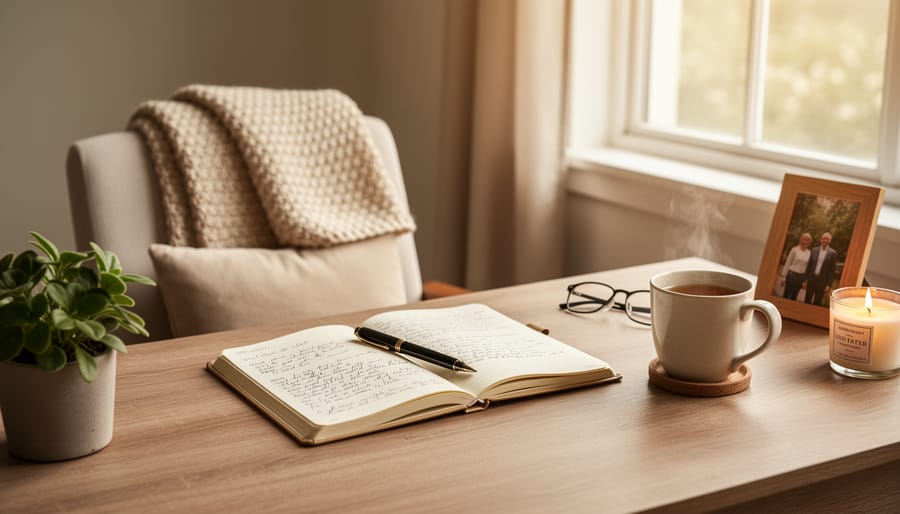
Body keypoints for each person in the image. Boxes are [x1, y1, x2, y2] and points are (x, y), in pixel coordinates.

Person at [804, 232, 838, 306]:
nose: (825, 240)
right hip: (811, 279)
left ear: (830, 241)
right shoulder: (814, 250)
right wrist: (805, 280)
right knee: (807, 299)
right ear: (821, 240)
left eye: (827, 239)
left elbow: (832, 271)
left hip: (822, 282)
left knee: (817, 301)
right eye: (823, 239)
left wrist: (828, 285)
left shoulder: (833, 253)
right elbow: (809, 266)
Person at [779, 232, 812, 301]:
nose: (805, 241)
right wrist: (783, 277)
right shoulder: (794, 249)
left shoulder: (809, 253)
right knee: (786, 295)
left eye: (807, 240)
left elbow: (808, 268)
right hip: (791, 276)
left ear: (809, 242)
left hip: (800, 278)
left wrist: (805, 281)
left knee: (794, 297)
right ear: (801, 240)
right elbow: (788, 263)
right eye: (804, 239)